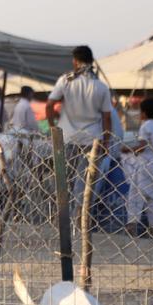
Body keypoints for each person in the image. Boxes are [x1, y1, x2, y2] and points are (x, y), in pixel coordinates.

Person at [46, 45, 112, 213]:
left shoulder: (65, 81)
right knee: (84, 181)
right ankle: (79, 218)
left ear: (75, 61)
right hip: (92, 140)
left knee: (63, 178)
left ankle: (60, 217)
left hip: (66, 138)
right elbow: (106, 117)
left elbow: (50, 104)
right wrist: (106, 142)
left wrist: (53, 127)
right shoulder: (101, 87)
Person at [122, 98, 153, 237]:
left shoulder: (145, 126)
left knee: (136, 195)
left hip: (143, 164)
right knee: (152, 197)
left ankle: (132, 227)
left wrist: (129, 150)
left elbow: (142, 146)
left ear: (144, 113)